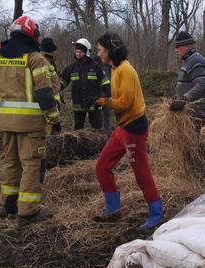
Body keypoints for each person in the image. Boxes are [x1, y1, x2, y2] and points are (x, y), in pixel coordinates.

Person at [0, 15, 61, 221]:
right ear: (31, 34)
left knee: (10, 162)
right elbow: (45, 93)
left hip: (6, 122)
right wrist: (54, 119)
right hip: (31, 124)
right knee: (31, 164)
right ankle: (27, 210)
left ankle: (8, 203)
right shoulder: (34, 58)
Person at [93, 32, 164, 229]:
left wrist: (103, 101)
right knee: (102, 166)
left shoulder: (125, 70)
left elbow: (125, 103)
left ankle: (157, 213)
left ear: (110, 51)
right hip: (123, 127)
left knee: (141, 173)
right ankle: (112, 210)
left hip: (134, 128)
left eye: (100, 50)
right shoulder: (114, 68)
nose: (98, 54)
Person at [61, 38, 110, 130]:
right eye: (77, 51)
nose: (78, 54)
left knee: (97, 129)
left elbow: (106, 85)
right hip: (78, 105)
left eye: (81, 52)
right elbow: (61, 84)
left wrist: (103, 99)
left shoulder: (96, 67)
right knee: (78, 130)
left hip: (95, 104)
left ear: (87, 52)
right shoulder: (71, 68)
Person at [170, 31, 205, 135]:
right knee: (186, 139)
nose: (176, 50)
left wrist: (184, 99)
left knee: (191, 139)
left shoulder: (195, 61)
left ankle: (192, 152)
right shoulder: (189, 60)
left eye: (177, 47)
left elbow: (201, 85)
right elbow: (186, 84)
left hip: (195, 110)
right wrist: (177, 97)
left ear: (187, 46)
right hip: (189, 109)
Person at [41, 37, 65, 108]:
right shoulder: (43, 63)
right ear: (51, 51)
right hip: (49, 104)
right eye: (55, 50)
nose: (57, 52)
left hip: (53, 102)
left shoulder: (50, 61)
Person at [94, 54, 114, 131]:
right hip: (97, 92)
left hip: (107, 91)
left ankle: (107, 131)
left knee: (107, 113)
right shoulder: (95, 61)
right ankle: (98, 130)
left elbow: (111, 75)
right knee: (97, 113)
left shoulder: (109, 62)